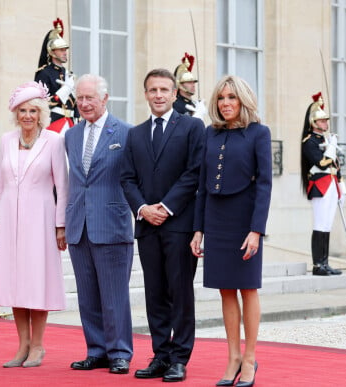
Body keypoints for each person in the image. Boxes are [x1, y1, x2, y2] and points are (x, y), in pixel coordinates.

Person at [121, 68, 204, 382]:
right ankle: (160, 354)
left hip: (179, 225)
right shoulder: (135, 133)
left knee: (180, 292)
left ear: (174, 93)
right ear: (145, 94)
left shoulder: (193, 127)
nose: (158, 95)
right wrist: (143, 208)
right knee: (155, 293)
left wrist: (166, 208)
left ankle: (179, 358)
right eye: (152, 90)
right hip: (147, 226)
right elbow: (127, 178)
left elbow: (194, 173)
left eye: (164, 90)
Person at [190, 75, 272, 387]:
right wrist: (198, 229)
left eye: (232, 98)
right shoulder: (210, 135)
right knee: (225, 289)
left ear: (243, 100)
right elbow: (201, 187)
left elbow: (265, 184)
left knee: (247, 288)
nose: (226, 103)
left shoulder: (259, 133)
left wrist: (256, 230)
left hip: (244, 220)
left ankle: (249, 358)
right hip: (217, 219)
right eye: (222, 98)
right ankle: (233, 356)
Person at [0, 81, 68, 368]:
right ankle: (21, 345)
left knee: (37, 281)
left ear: (41, 114)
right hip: (10, 219)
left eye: (33, 110)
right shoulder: (6, 140)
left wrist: (61, 226)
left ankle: (38, 345)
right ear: (16, 113)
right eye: (23, 110)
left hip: (41, 219)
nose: (27, 116)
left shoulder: (54, 141)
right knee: (14, 282)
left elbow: (63, 186)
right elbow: (0, 186)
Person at [65, 74, 134, 375]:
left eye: (89, 97)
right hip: (79, 225)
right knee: (87, 294)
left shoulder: (127, 133)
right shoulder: (70, 135)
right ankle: (96, 350)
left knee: (114, 295)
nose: (83, 103)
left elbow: (135, 179)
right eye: (79, 98)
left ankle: (119, 351)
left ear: (105, 99)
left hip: (112, 225)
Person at [301, 92, 345, 276]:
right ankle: (317, 265)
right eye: (322, 121)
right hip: (319, 186)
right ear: (314, 123)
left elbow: (334, 165)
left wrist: (341, 184)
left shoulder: (325, 140)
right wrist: (332, 148)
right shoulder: (309, 141)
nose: (326, 123)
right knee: (320, 224)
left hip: (331, 185)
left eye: (326, 120)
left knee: (327, 225)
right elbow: (320, 163)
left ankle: (325, 263)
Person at [35, 18, 78, 134]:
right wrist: (65, 90)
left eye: (65, 50)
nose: (65, 53)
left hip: (71, 123)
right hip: (53, 123)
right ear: (52, 52)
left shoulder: (69, 74)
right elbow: (41, 104)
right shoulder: (44, 73)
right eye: (61, 50)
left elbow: (75, 104)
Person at [172, 52, 207, 120]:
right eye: (189, 82)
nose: (193, 85)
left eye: (193, 82)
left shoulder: (194, 104)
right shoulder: (175, 105)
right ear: (180, 85)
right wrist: (197, 116)